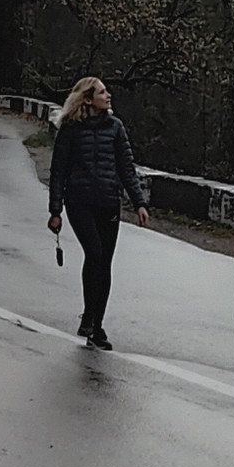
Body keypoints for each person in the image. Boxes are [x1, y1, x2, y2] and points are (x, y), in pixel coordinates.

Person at [47, 76, 149, 350]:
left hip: (108, 203)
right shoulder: (70, 130)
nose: (108, 96)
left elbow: (127, 168)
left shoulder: (115, 128)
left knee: (104, 264)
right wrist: (55, 210)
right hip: (79, 203)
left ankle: (96, 325)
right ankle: (90, 316)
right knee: (94, 253)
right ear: (88, 99)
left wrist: (139, 202)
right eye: (103, 92)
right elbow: (58, 172)